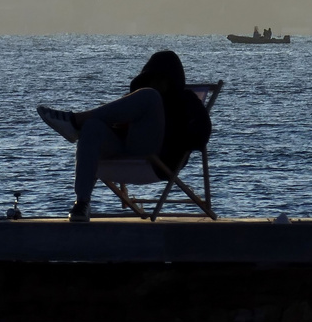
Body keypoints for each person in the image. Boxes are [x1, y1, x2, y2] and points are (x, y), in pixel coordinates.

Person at [36, 50, 211, 222]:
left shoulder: (185, 100)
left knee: (150, 96)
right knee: (92, 126)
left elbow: (201, 135)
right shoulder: (137, 99)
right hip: (125, 151)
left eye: (162, 79)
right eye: (153, 79)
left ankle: (75, 121)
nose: (157, 83)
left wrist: (174, 137)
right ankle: (82, 203)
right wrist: (118, 126)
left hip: (158, 159)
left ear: (172, 80)